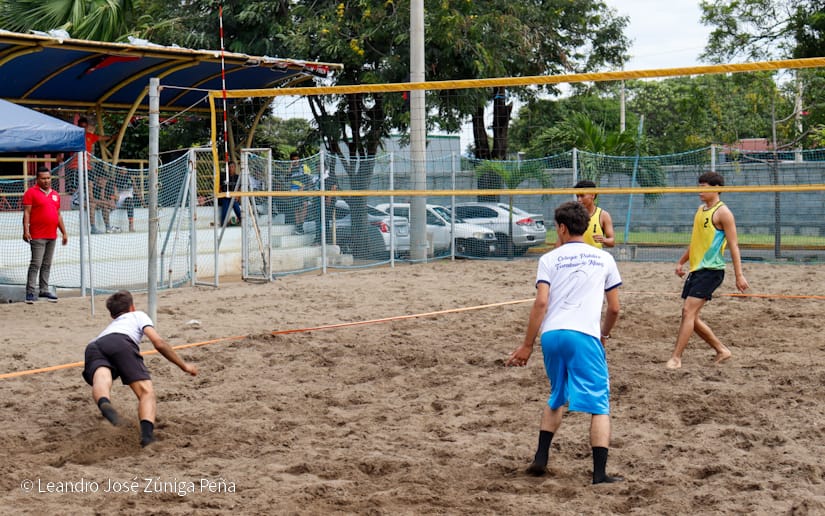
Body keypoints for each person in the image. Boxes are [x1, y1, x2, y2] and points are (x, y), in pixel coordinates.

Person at [507, 201, 622, 484]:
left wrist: (526, 345)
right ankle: (599, 474)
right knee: (599, 404)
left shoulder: (549, 258)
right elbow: (616, 309)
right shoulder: (604, 258)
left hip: (552, 335)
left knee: (557, 395)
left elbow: (541, 302)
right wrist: (603, 335)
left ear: (561, 227)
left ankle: (541, 459)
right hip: (583, 334)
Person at [82, 290, 198, 447]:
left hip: (93, 345)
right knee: (146, 391)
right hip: (120, 342)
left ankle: (104, 403)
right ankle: (147, 437)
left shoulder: (112, 325)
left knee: (102, 377)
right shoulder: (137, 315)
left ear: (112, 316)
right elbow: (159, 343)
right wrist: (184, 366)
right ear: (132, 307)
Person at [666, 171, 749, 370]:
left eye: (703, 188)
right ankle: (721, 350)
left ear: (716, 188)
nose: (699, 192)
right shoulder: (701, 210)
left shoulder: (723, 213)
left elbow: (734, 245)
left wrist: (739, 274)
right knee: (691, 316)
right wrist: (681, 262)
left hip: (712, 270)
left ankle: (676, 358)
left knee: (688, 312)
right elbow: (696, 242)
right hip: (697, 269)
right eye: (699, 187)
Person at [22, 167, 68, 304]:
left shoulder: (55, 194)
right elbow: (27, 213)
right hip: (37, 235)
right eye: (43, 178)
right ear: (37, 179)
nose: (46, 181)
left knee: (47, 264)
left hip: (52, 235)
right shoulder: (31, 193)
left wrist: (64, 232)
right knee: (36, 263)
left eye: (48, 178)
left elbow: (58, 215)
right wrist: (25, 230)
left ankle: (44, 290)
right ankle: (30, 292)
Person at [554, 180, 615, 249]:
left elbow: (612, 241)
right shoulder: (571, 215)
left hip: (593, 258)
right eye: (577, 196)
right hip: (575, 257)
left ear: (592, 195)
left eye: (582, 196)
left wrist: (604, 240)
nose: (579, 199)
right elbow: (560, 239)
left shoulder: (603, 215)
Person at [288, 152, 314, 234]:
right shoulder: (291, 169)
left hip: (302, 189)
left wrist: (303, 187)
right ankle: (298, 226)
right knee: (296, 208)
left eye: (297, 159)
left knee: (303, 206)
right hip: (294, 190)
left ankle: (301, 226)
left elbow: (309, 178)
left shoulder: (303, 167)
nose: (295, 161)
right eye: (293, 160)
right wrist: (289, 169)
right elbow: (287, 179)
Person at [313, 173, 339, 245]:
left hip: (326, 203)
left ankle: (324, 239)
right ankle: (319, 239)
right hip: (318, 202)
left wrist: (329, 198)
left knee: (325, 221)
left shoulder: (330, 177)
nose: (318, 168)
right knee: (318, 221)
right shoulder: (317, 178)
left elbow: (334, 187)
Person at [218, 161, 242, 227]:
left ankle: (242, 222)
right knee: (225, 211)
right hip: (225, 197)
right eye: (229, 167)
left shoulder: (237, 177)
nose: (231, 168)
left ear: (235, 168)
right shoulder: (223, 176)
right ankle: (223, 225)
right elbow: (219, 187)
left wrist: (238, 196)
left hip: (233, 197)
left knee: (237, 209)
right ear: (227, 168)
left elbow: (239, 188)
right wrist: (220, 195)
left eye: (232, 167)